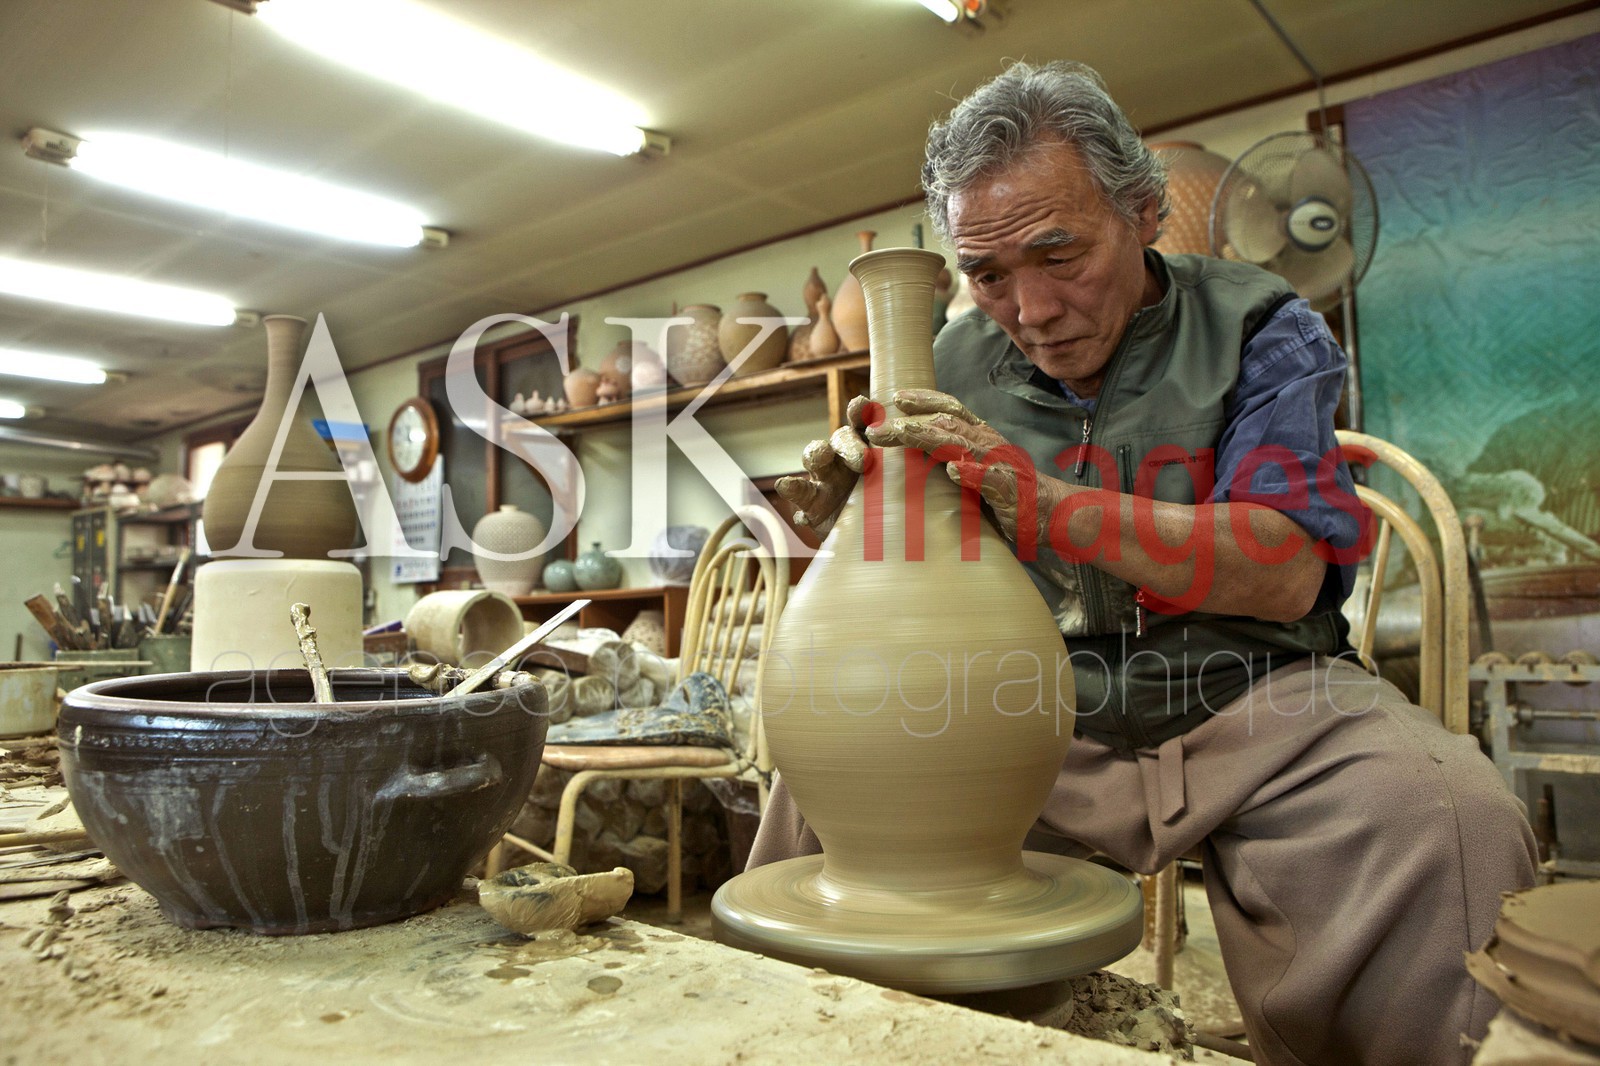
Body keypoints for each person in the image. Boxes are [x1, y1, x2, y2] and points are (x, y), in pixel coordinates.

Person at [750, 60, 1535, 1065]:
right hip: (1037, 706)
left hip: (1257, 695)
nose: (1031, 308)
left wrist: (1047, 504)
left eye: (1059, 254)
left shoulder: (1261, 328)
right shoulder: (949, 365)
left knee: (1446, 815)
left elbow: (1284, 568)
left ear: (1144, 212)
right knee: (830, 804)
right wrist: (858, 510)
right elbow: (906, 586)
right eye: (988, 276)